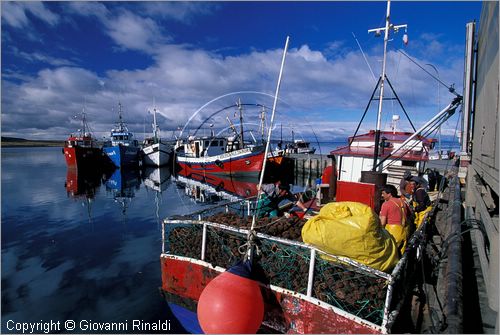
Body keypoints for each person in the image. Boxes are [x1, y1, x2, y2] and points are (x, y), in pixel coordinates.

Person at [379, 185, 410, 255]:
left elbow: (382, 223)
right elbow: (409, 215)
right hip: (404, 232)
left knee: (390, 256)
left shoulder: (386, 204)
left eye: (383, 193)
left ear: (389, 194)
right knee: (401, 256)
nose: (382, 195)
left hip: (393, 234)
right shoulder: (403, 202)